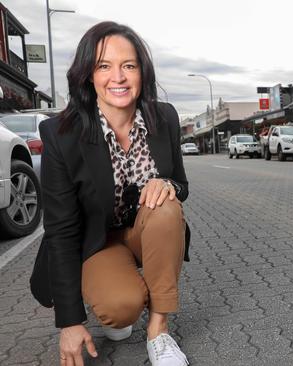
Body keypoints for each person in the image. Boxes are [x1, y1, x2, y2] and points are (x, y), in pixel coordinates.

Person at [29, 21, 190, 366]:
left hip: (146, 230)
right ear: (88, 74)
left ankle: (159, 331)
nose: (118, 77)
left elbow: (182, 186)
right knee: (121, 309)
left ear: (142, 72)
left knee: (166, 208)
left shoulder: (164, 118)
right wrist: (70, 322)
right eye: (104, 66)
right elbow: (61, 230)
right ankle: (118, 297)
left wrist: (167, 184)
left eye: (128, 66)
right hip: (96, 241)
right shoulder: (61, 133)